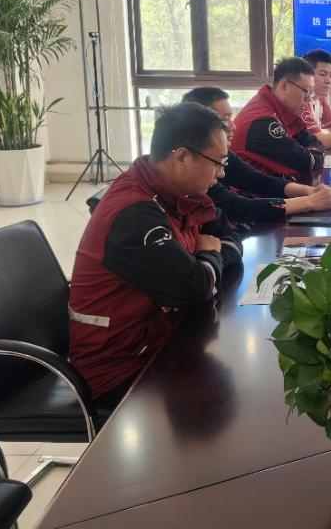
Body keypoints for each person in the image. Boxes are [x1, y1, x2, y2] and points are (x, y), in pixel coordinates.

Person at [68, 102, 242, 406]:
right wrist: (209, 258)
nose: (221, 173)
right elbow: (194, 288)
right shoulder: (135, 212)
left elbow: (229, 237)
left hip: (162, 339)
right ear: (181, 157)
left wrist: (210, 256)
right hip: (120, 367)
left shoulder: (176, 191)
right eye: (217, 162)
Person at [182, 87, 331, 224]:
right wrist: (309, 202)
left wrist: (308, 192)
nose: (233, 126)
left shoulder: (222, 154)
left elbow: (258, 180)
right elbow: (238, 208)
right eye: (224, 120)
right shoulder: (198, 167)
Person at [231, 57, 325, 185]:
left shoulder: (281, 110)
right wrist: (314, 154)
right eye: (306, 92)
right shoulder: (262, 121)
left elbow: (313, 141)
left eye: (311, 94)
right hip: (249, 195)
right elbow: (306, 163)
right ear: (284, 85)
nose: (309, 100)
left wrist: (314, 153)